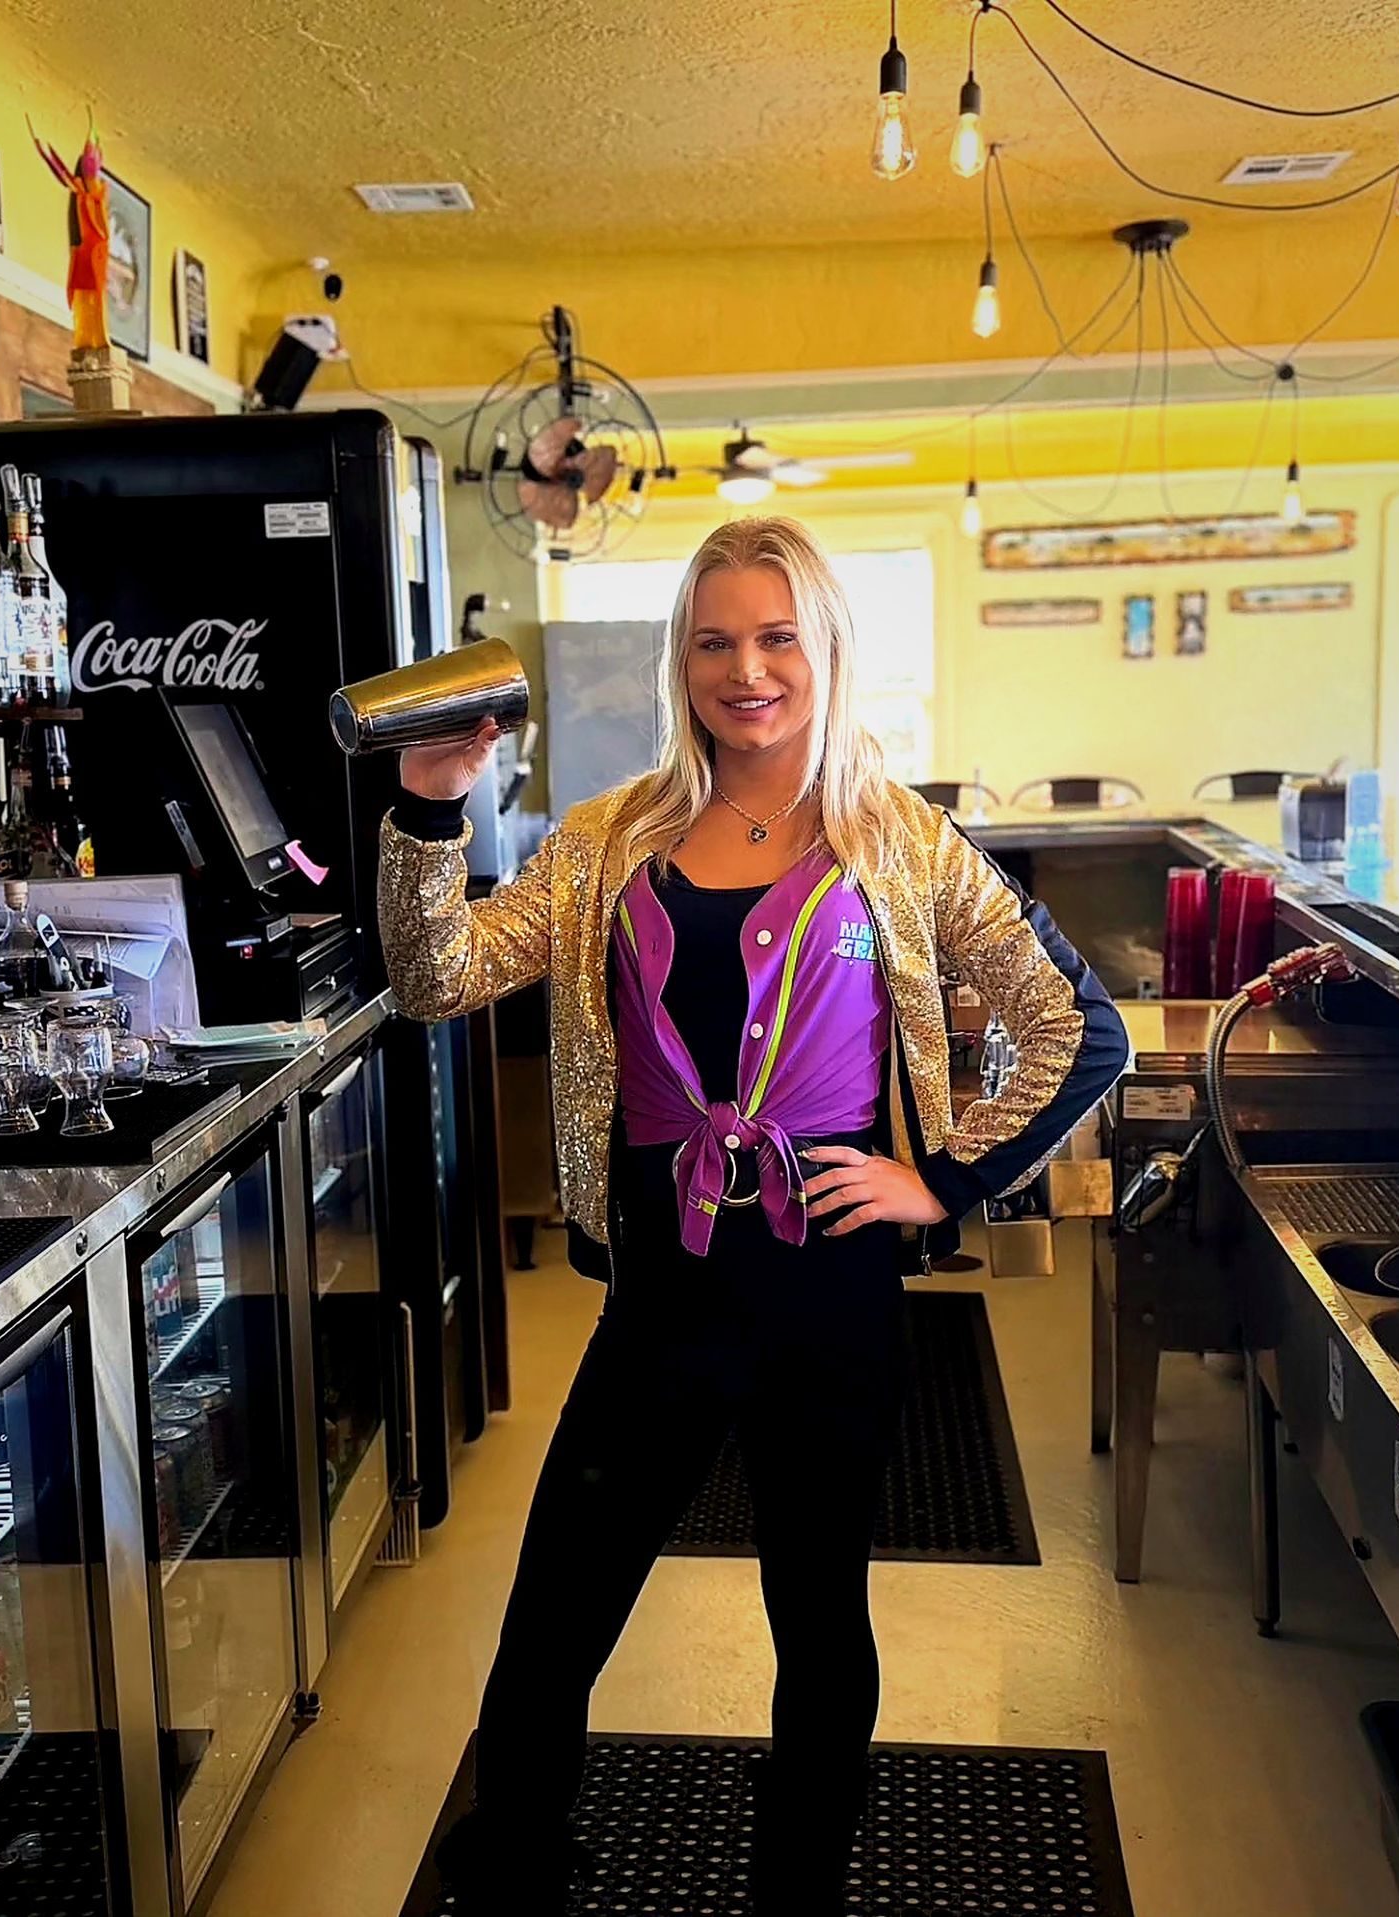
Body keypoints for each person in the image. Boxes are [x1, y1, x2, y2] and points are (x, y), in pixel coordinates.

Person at [379, 515, 1128, 1914]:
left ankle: (799, 1890)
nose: (749, 668)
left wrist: (942, 1177)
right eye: (716, 639)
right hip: (662, 1295)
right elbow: (436, 976)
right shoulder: (609, 840)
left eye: (778, 635)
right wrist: (432, 809)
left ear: (826, 648)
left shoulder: (896, 839)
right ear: (684, 661)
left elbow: (1075, 1025)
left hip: (831, 1301)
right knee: (551, 1617)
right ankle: (517, 1871)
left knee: (820, 1619)